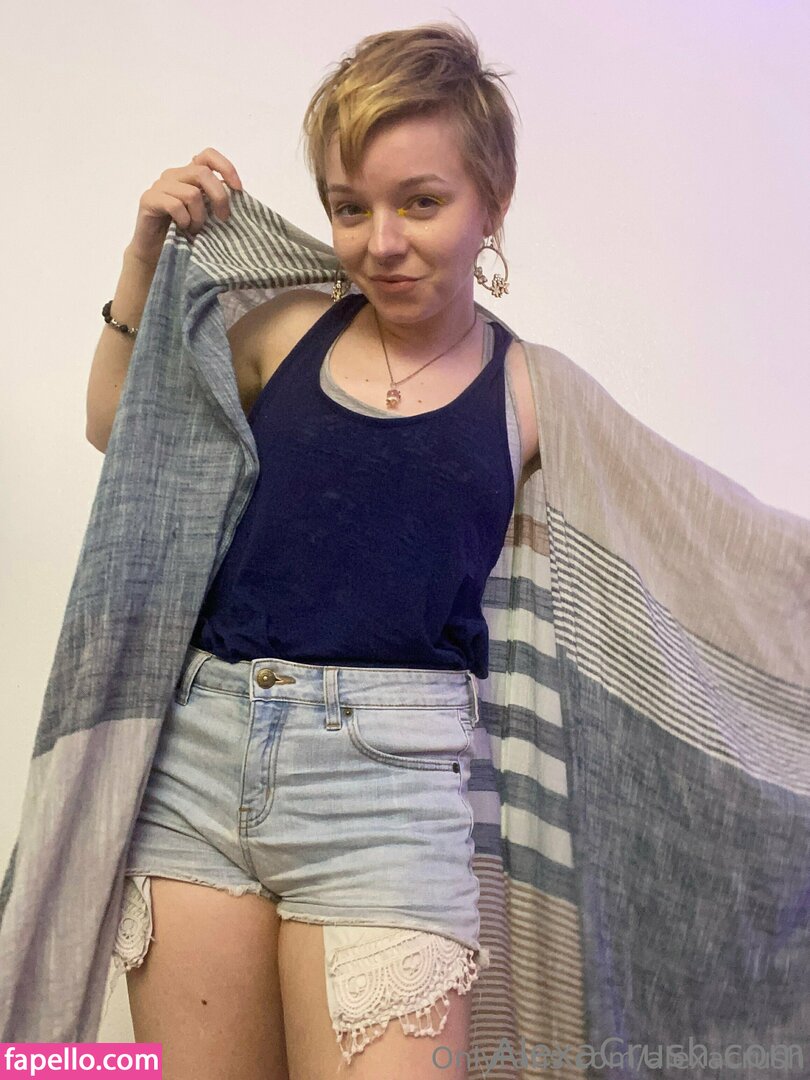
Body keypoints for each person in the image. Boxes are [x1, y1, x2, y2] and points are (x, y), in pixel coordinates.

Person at [87, 20, 525, 1080]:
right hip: (203, 760)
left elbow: (690, 552)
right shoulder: (285, 332)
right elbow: (117, 429)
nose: (381, 242)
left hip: (392, 798)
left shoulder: (532, 393)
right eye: (350, 206)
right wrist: (143, 261)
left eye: (421, 202)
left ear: (493, 203)